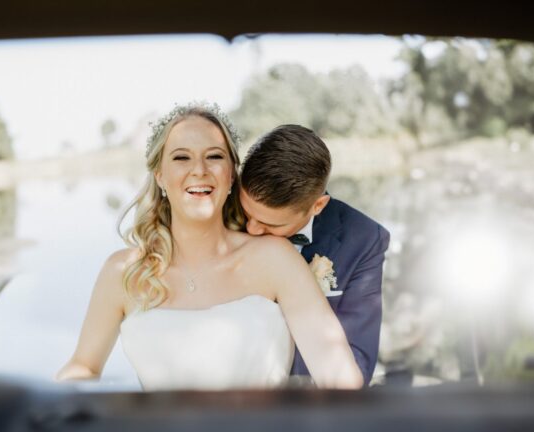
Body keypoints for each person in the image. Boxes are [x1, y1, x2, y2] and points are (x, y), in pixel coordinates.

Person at [56, 103, 363, 390]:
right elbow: (83, 367)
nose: (199, 170)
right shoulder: (122, 271)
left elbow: (338, 377)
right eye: (181, 157)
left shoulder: (275, 260)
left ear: (232, 174)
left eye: (214, 156)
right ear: (160, 176)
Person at [239, 125, 390, 386]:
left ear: (317, 206)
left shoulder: (363, 240)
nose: (250, 229)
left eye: (271, 225)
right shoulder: (218, 215)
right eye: (246, 213)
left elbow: (356, 360)